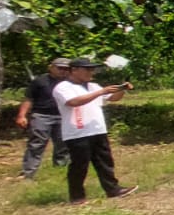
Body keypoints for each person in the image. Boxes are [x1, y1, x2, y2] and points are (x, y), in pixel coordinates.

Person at [54, 57, 136, 204]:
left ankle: (113, 189)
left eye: (92, 69)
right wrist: (100, 92)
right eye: (87, 69)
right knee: (80, 165)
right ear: (74, 70)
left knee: (105, 162)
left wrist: (122, 89)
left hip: (97, 129)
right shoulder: (63, 87)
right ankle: (76, 196)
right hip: (77, 132)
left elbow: (113, 98)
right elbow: (73, 102)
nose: (91, 72)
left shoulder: (93, 86)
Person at [16, 57, 71, 180]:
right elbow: (28, 98)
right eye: (60, 68)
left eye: (66, 69)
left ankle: (60, 173)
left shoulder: (70, 83)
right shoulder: (40, 81)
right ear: (51, 67)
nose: (63, 71)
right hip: (41, 116)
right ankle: (28, 174)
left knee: (63, 145)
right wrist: (22, 115)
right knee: (36, 144)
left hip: (63, 116)